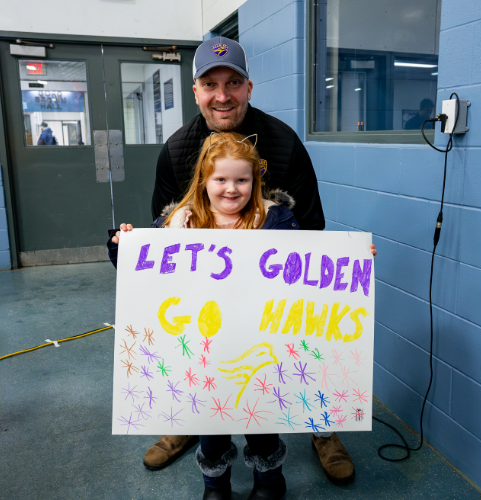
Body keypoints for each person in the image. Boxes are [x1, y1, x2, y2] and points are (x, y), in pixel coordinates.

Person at [132, 36, 375, 485]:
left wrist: (346, 264)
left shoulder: (283, 143)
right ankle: (189, 420)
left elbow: (313, 229)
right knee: (204, 355)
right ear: (196, 91)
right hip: (207, 296)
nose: (222, 95)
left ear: (249, 87)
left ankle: (320, 424)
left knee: (304, 341)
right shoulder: (176, 149)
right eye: (211, 84)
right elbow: (160, 239)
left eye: (233, 82)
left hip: (275, 291)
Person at [109, 132, 299, 500]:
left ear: (255, 180)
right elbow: (141, 270)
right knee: (210, 423)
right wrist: (124, 245)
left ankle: (270, 478)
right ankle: (216, 483)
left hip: (255, 339)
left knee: (260, 416)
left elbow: (306, 268)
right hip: (201, 347)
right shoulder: (182, 222)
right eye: (221, 179)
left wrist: (352, 260)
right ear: (204, 180)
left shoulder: (274, 219)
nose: (232, 189)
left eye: (242, 180)